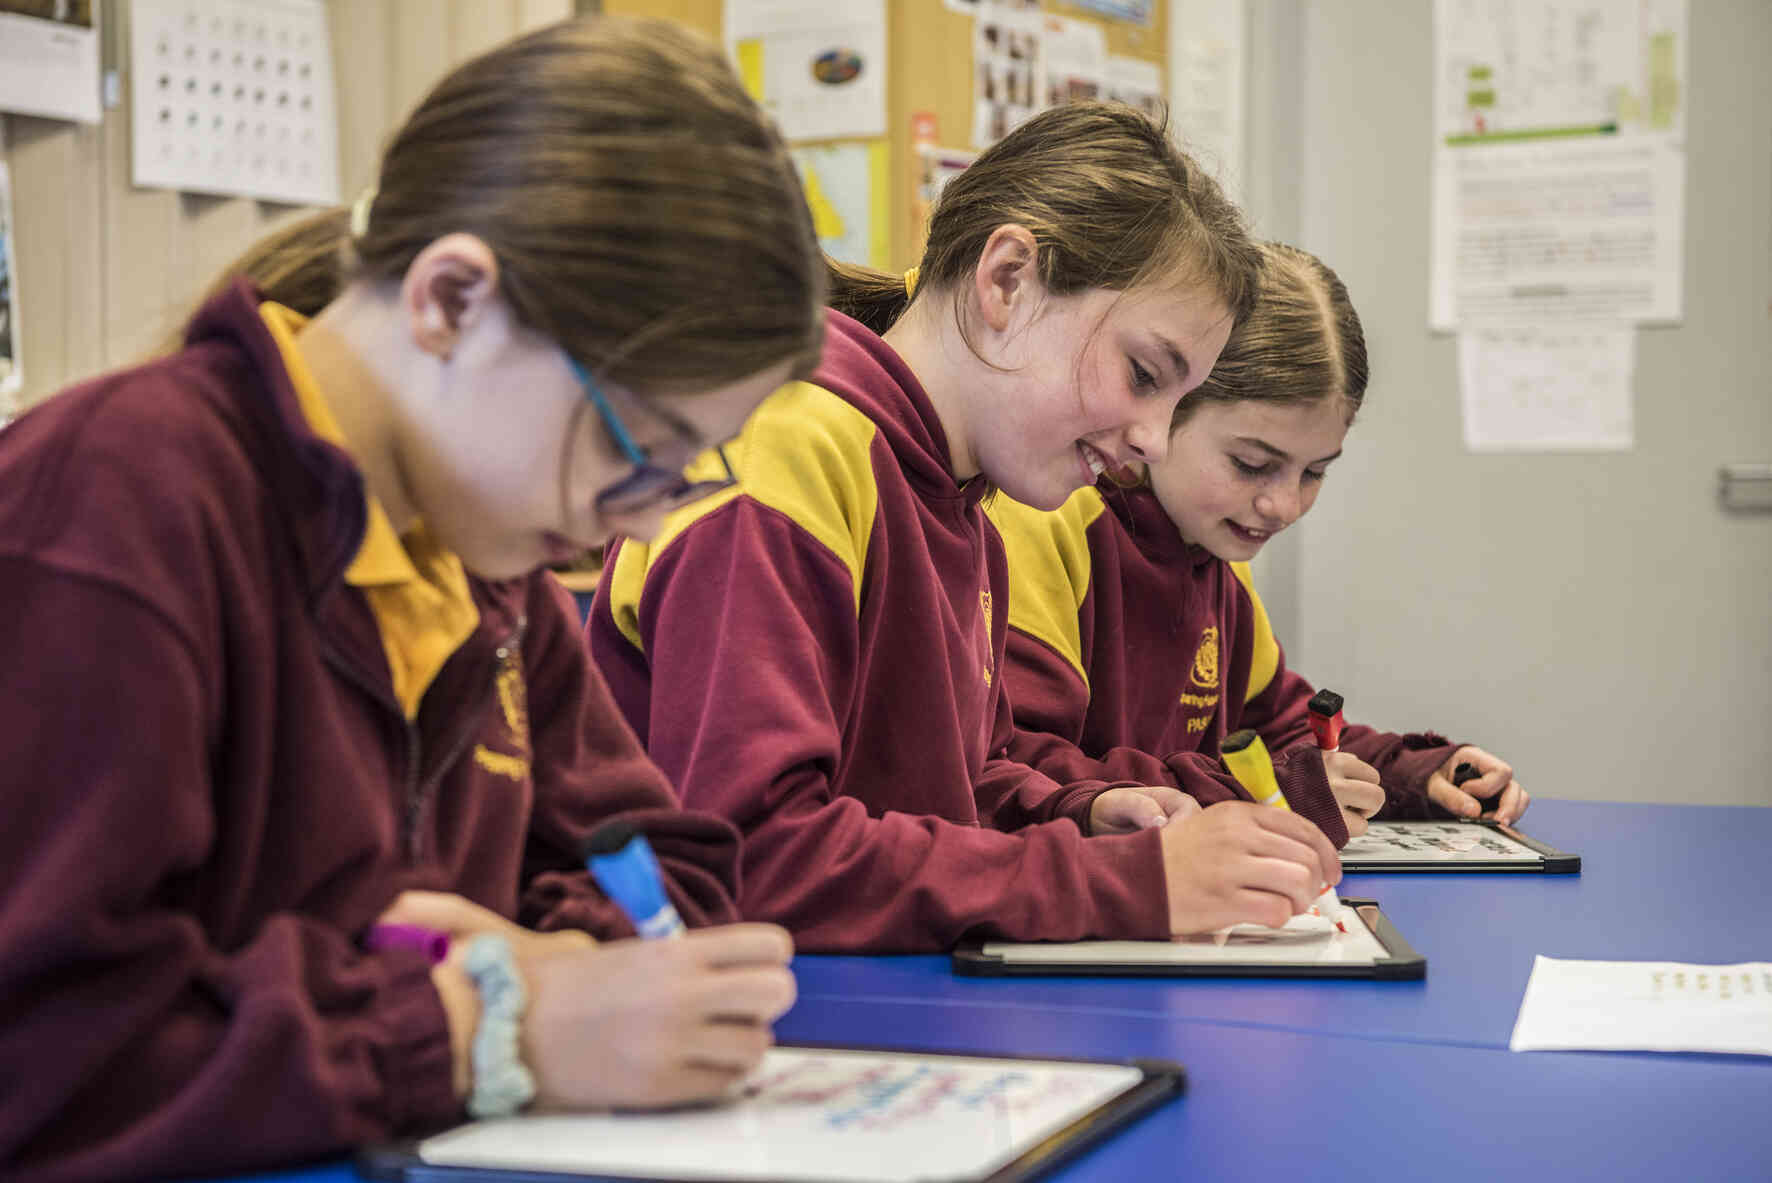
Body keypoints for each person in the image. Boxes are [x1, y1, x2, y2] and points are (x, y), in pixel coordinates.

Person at [0, 17, 824, 1181]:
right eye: (634, 445)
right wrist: (484, 1023)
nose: (642, 523)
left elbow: (657, 864)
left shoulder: (484, 564)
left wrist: (560, 968)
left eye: (683, 472)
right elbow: (47, 1050)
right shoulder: (119, 498)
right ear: (450, 299)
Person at [589, 102, 1343, 955]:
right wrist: (1122, 882)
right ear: (1007, 279)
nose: (1154, 441)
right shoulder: (785, 451)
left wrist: (1080, 811)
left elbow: (945, 792)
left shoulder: (967, 509)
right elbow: (755, 855)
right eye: (1143, 374)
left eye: (1177, 402)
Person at [990, 241, 1530, 839]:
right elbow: (1016, 767)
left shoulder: (1213, 546)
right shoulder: (1050, 519)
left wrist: (1415, 775)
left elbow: (1280, 735)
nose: (1285, 505)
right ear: (1162, 409)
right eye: (1251, 465)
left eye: (1315, 472)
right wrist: (1261, 789)